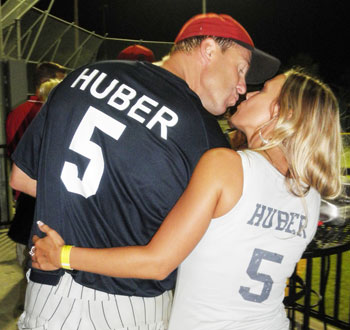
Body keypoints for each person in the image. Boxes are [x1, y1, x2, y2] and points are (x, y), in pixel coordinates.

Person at [10, 13, 280, 330]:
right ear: (208, 50)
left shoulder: (86, 75)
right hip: (128, 304)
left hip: (48, 294)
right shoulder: (205, 138)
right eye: (240, 69)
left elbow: (23, 177)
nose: (241, 86)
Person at [32, 68, 342, 329]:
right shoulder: (309, 194)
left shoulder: (226, 165)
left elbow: (157, 263)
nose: (248, 93)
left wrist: (62, 255)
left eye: (263, 92)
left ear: (283, 113)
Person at [7, 72, 65, 267]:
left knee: (28, 263)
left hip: (27, 204)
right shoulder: (55, 126)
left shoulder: (20, 112)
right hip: (43, 211)